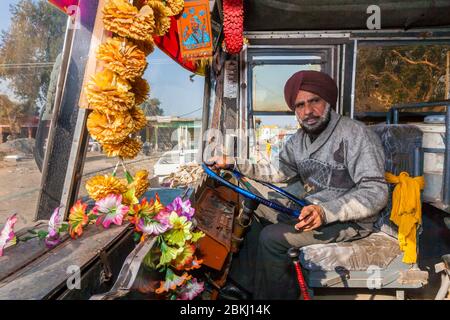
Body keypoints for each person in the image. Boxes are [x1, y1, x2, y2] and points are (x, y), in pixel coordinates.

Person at [207, 70, 388, 300]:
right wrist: (233, 164)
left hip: (349, 220)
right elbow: (279, 171)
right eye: (300, 105)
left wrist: (325, 212)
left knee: (273, 238)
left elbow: (375, 191)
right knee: (250, 207)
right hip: (310, 207)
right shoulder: (298, 141)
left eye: (314, 101)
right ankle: (245, 287)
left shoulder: (355, 135)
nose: (307, 111)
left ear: (328, 101)